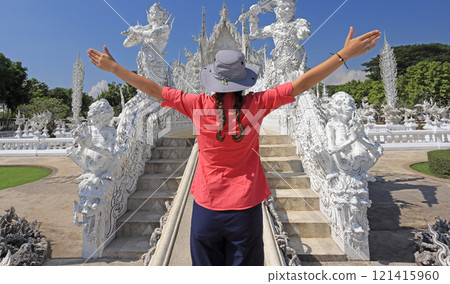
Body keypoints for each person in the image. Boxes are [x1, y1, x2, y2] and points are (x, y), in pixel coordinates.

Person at [87, 26, 381, 266]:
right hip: (246, 207)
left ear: (212, 80)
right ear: (243, 82)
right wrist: (343, 55)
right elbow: (302, 83)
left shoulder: (197, 105)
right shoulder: (256, 105)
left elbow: (151, 88)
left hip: (206, 208)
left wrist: (114, 68)